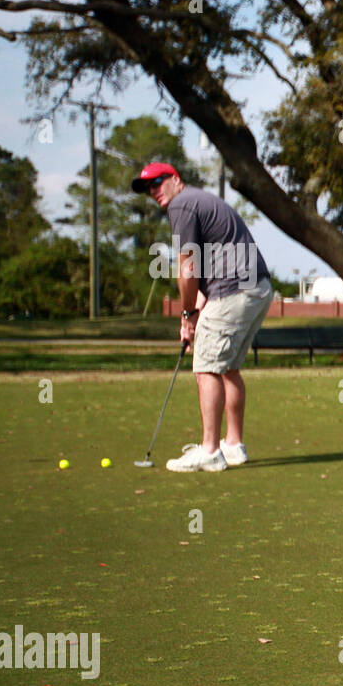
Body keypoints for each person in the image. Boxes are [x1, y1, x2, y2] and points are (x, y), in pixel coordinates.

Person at [131, 162, 274, 472]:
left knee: (206, 366)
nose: (153, 191)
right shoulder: (199, 200)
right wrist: (194, 314)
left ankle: (210, 450)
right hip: (256, 288)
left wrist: (186, 314)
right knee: (228, 367)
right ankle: (233, 445)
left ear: (174, 179)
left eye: (157, 183)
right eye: (147, 188)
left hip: (234, 290)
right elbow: (205, 269)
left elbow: (187, 269)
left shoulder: (181, 205)